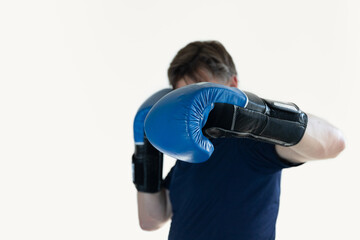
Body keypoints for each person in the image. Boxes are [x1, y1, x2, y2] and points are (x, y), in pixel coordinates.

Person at [132, 41, 345, 240]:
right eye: (184, 96)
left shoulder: (253, 144)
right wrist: (145, 150)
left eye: (200, 92)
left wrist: (259, 117)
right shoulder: (190, 153)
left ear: (233, 84)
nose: (193, 108)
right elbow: (152, 218)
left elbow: (334, 142)